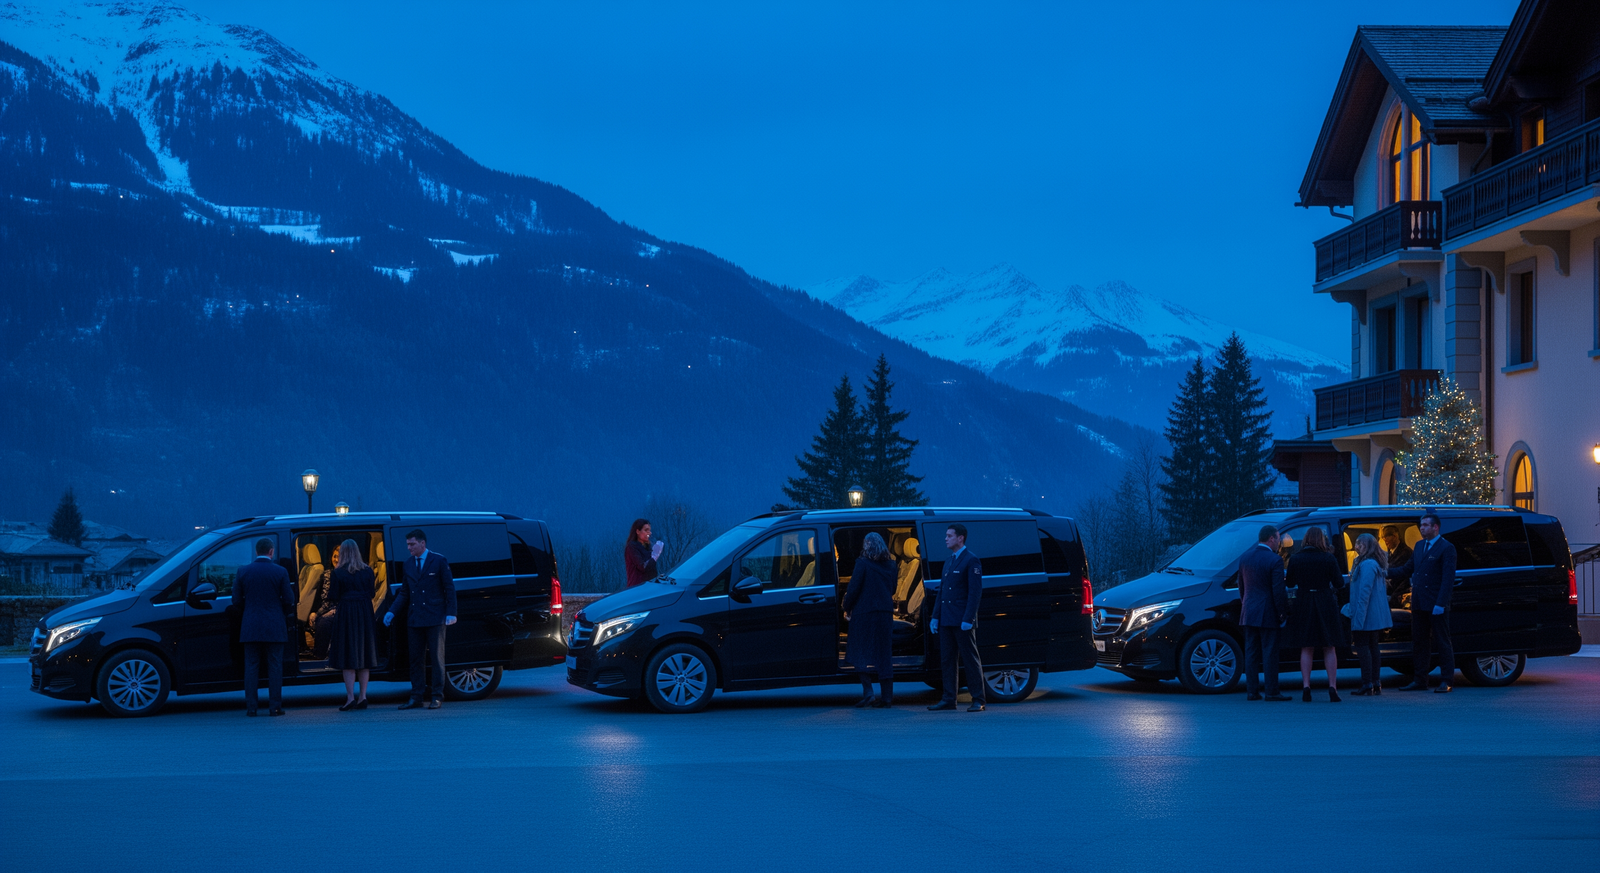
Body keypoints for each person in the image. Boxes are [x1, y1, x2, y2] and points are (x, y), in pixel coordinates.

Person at [384, 529, 457, 709]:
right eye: (408, 544)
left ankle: (436, 696)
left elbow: (449, 588)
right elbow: (405, 592)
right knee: (415, 659)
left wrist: (451, 613)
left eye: (412, 544)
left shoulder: (438, 561)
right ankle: (416, 696)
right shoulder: (408, 564)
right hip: (415, 619)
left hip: (435, 618)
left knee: (436, 658)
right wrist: (392, 611)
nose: (409, 548)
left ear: (422, 544)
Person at [1386, 510, 1457, 693]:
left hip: (1436, 604)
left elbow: (1447, 579)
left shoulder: (1446, 548)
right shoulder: (1418, 546)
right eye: (1421, 524)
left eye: (1425, 525)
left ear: (1435, 527)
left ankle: (1446, 680)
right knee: (1419, 642)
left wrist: (1441, 604)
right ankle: (1420, 680)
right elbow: (1406, 569)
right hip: (1418, 603)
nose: (1422, 528)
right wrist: (1383, 572)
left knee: (1442, 642)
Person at [1284, 527, 1348, 702]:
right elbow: (1339, 582)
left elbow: (1290, 582)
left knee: (1307, 646)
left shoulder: (1296, 559)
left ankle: (1306, 686)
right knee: (1329, 646)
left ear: (1305, 539)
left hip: (1304, 601)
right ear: (1322, 539)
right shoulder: (1328, 558)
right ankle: (1332, 686)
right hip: (1325, 600)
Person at [928, 524, 985, 712]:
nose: (946, 538)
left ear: (960, 538)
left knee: (970, 659)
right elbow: (942, 592)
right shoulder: (949, 561)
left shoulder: (971, 560)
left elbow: (974, 593)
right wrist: (935, 617)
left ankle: (978, 699)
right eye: (946, 535)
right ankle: (949, 699)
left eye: (949, 535)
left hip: (962, 620)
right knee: (947, 660)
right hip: (946, 619)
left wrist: (968, 619)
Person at [235, 537, 294, 717]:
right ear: (271, 551)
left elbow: (236, 601)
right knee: (275, 667)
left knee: (251, 667)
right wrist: (279, 611)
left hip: (251, 625)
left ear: (256, 552)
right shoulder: (280, 571)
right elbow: (290, 600)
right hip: (274, 625)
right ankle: (274, 707)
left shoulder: (243, 571)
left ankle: (251, 707)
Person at [843, 532, 897, 708]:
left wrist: (846, 607)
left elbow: (853, 589)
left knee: (860, 651)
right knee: (884, 653)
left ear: (867, 545)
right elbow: (893, 589)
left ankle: (868, 692)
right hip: (885, 613)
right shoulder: (891, 565)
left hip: (864, 613)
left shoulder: (862, 564)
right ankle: (887, 697)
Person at [1239, 525, 1290, 701]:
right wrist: (1282, 612)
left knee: (1251, 652)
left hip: (1248, 611)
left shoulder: (1245, 557)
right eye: (1278, 539)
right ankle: (1271, 691)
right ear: (1271, 539)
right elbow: (1278, 590)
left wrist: (1246, 604)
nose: (1279, 543)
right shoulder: (1274, 560)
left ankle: (1252, 691)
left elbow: (1242, 586)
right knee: (1269, 653)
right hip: (1267, 612)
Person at [327, 538, 379, 711]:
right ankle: (363, 696)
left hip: (347, 613)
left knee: (347, 654)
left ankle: (350, 698)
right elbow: (371, 592)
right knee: (364, 654)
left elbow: (333, 595)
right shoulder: (368, 571)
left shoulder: (338, 572)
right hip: (364, 612)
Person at [1347, 533, 1392, 696]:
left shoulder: (1366, 565)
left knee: (1363, 647)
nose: (1357, 547)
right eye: (1356, 543)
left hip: (1366, 614)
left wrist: (1358, 617)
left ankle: (1367, 682)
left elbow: (1364, 592)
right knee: (1373, 647)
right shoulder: (1374, 563)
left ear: (1368, 546)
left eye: (1360, 544)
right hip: (1374, 614)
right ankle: (1375, 682)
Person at [624, 518, 665, 587]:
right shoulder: (632, 547)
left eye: (649, 530)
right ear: (638, 531)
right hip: (638, 589)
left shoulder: (647, 546)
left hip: (650, 588)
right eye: (646, 530)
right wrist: (655, 555)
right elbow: (643, 567)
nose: (649, 532)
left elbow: (651, 570)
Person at [1382, 525, 1413, 607]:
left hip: (1399, 592)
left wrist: (1384, 573)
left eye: (1387, 540)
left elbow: (1402, 574)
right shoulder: (1390, 552)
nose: (1385, 542)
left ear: (1395, 536)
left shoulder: (1405, 552)